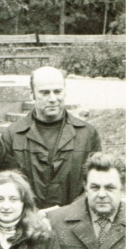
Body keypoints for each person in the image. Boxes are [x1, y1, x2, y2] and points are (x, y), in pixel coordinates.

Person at [9, 67, 103, 209]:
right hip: (27, 222)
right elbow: (5, 186)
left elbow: (97, 184)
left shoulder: (87, 134)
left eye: (58, 91)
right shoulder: (12, 135)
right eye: (45, 93)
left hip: (73, 222)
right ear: (32, 94)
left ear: (65, 91)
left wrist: (67, 214)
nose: (53, 99)